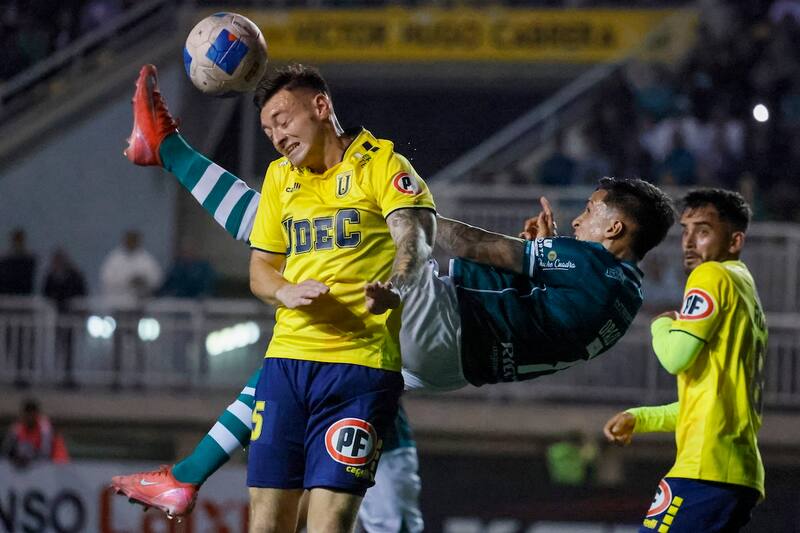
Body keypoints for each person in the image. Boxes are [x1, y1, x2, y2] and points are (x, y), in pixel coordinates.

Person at [110, 64, 675, 527]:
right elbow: (540, 314)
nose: (578, 218)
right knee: (306, 342)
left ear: (615, 230)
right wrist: (542, 261)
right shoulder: (619, 293)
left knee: (333, 235)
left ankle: (168, 149)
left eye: (590, 212)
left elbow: (475, 248)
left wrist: (408, 217)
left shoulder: (591, 264)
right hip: (451, 359)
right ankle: (187, 474)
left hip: (445, 330)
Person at [603, 189, 765, 532]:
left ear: (735, 241)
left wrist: (662, 324)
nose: (689, 242)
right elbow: (710, 403)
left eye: (703, 231)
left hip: (704, 470)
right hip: (736, 474)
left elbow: (675, 357)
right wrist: (641, 417)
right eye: (686, 231)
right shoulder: (745, 290)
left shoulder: (711, 276)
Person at [100, 229, 163, 388]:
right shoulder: (115, 258)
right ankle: (116, 378)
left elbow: (156, 279)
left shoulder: (145, 259)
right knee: (117, 346)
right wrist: (128, 281)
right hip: (120, 308)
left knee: (138, 346)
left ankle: (138, 379)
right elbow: (107, 278)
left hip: (137, 308)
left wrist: (143, 282)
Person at [42, 248, 87, 387]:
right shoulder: (51, 276)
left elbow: (82, 291)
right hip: (56, 316)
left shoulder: (74, 275)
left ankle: (69, 376)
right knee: (56, 347)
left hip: (71, 317)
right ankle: (56, 374)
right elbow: (45, 292)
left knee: (70, 348)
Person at [1, 399, 70, 468]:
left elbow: (45, 454)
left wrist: (30, 460)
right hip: (22, 465)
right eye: (28, 414)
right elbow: (6, 453)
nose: (30, 417)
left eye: (32, 414)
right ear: (23, 415)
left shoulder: (45, 430)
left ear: (37, 414)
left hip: (46, 466)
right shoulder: (16, 430)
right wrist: (15, 459)